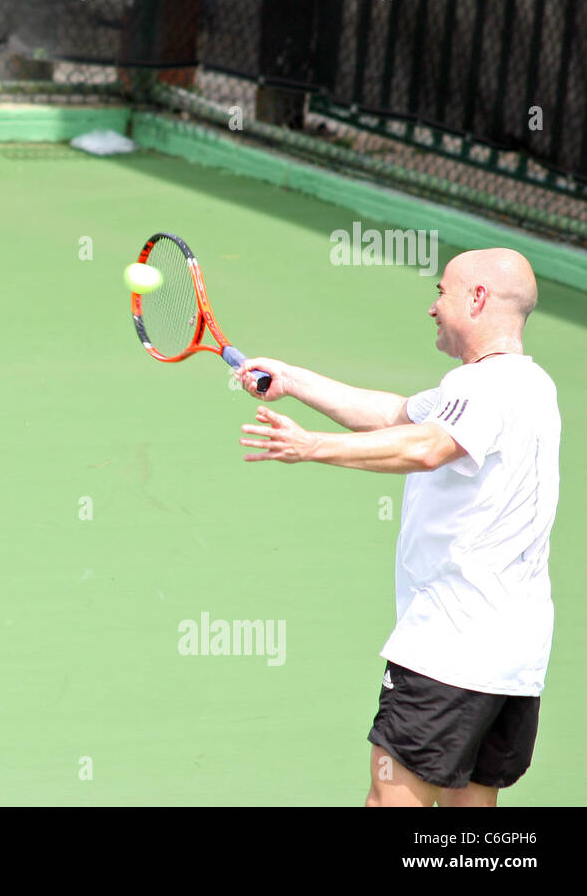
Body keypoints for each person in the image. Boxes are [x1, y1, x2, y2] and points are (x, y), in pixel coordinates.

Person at [234, 248, 559, 807]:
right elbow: (394, 415)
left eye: (442, 292)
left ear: (476, 299)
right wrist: (291, 378)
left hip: (449, 646)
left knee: (390, 802)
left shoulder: (481, 389)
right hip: (515, 657)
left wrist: (313, 447)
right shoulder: (528, 387)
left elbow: (430, 446)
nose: (433, 307)